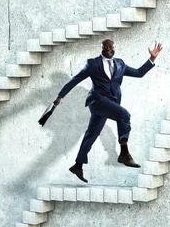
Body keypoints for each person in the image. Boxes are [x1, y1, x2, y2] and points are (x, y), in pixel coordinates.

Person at [53, 39, 162, 183]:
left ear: (114, 48)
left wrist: (152, 58)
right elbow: (75, 80)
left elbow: (139, 73)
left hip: (110, 103)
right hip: (97, 101)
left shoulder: (120, 64)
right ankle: (124, 153)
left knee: (91, 134)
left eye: (111, 46)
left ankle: (78, 165)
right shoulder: (92, 64)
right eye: (105, 46)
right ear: (102, 48)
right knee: (124, 115)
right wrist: (60, 96)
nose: (108, 49)